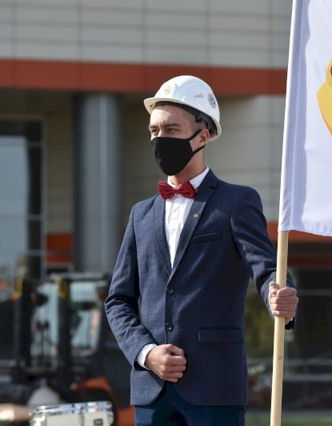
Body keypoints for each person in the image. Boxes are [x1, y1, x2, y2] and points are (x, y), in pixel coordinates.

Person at [105, 75, 298, 426]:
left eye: (171, 130)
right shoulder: (140, 215)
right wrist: (146, 354)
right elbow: (118, 301)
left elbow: (268, 269)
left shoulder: (237, 202)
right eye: (154, 131)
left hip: (215, 388)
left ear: (202, 136)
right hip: (151, 394)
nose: (160, 139)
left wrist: (279, 292)